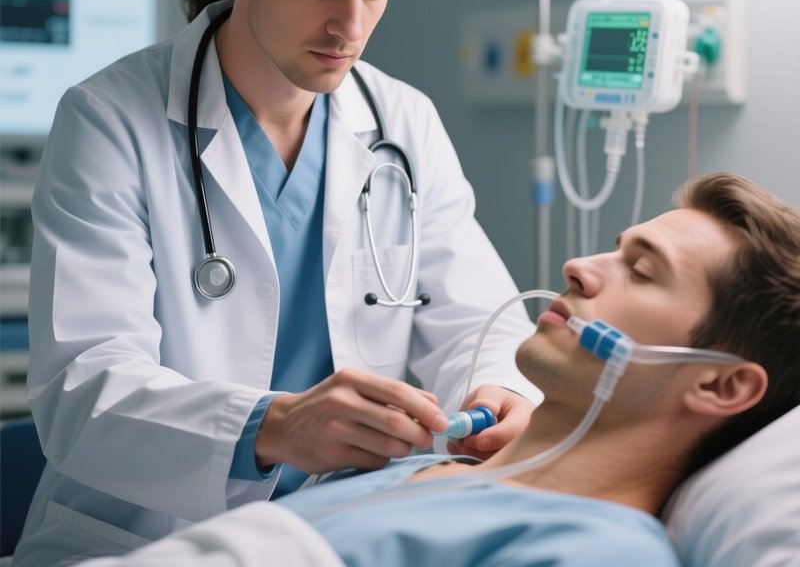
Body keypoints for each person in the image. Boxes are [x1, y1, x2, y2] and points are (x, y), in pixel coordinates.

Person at [14, 0, 539, 567]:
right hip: (151, 540)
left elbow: (477, 327)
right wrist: (271, 427)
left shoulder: (401, 121)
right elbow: (85, 392)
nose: (349, 26)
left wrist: (498, 393)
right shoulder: (108, 121)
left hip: (344, 529)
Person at [66, 172, 800, 566]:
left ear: (720, 383)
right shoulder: (420, 467)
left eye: (640, 271)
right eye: (615, 246)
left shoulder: (596, 551)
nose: (581, 266)